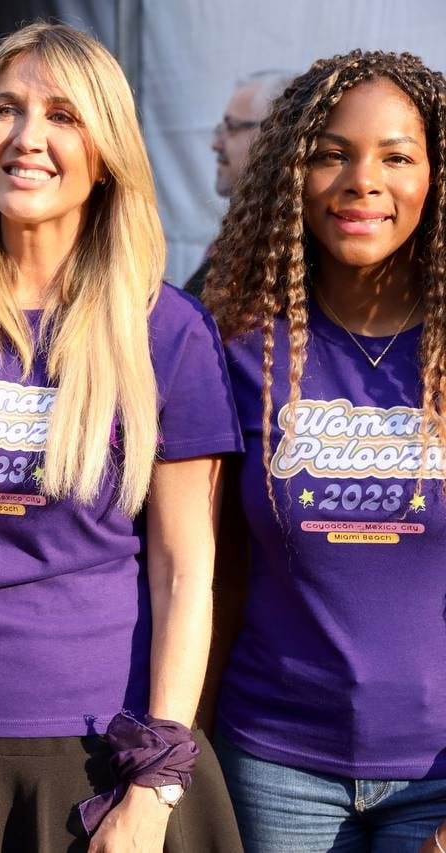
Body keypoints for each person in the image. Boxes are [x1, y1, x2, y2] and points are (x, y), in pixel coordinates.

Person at [0, 23, 244, 853]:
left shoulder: (167, 331)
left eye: (63, 115)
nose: (28, 138)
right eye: (7, 109)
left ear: (105, 154)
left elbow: (186, 574)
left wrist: (159, 780)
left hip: (94, 765)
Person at [204, 49, 446, 853]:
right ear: (289, 172)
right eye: (330, 153)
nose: (362, 180)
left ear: (435, 176)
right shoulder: (235, 344)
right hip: (272, 762)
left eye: (396, 156)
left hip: (436, 773)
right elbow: (212, 566)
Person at [184, 70, 294, 298]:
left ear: (275, 133)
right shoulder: (240, 238)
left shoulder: (278, 251)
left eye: (232, 127)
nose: (216, 143)